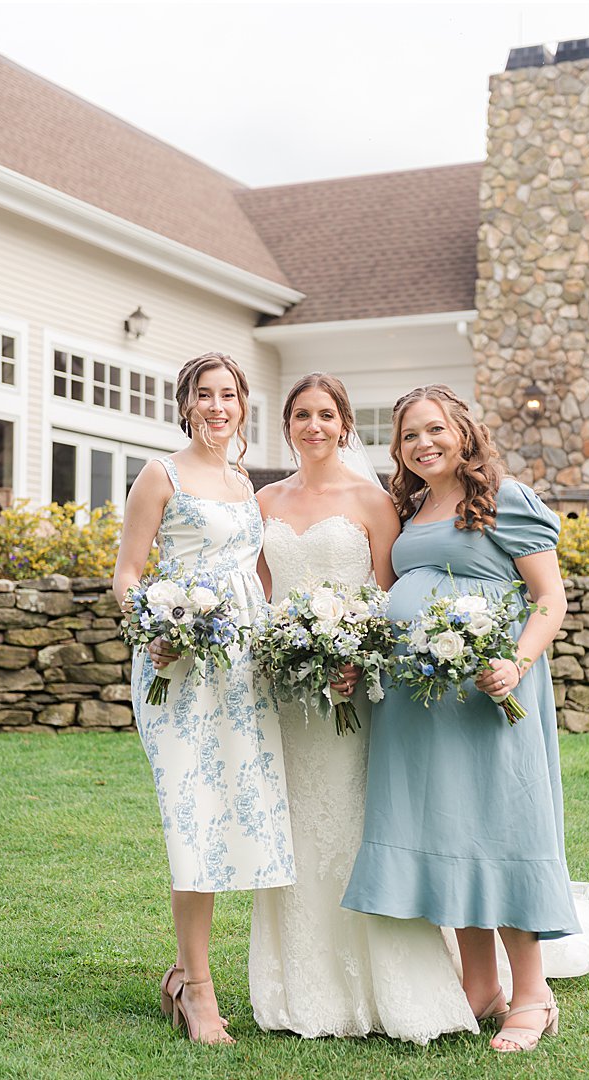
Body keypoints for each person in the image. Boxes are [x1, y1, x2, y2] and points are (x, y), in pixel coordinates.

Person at [340, 384, 589, 1053]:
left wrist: (517, 663)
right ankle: (481, 988)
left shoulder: (506, 499)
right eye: (409, 435)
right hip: (421, 706)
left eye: (434, 429)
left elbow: (550, 599)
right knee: (453, 833)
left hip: (488, 697)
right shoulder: (410, 508)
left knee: (503, 830)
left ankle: (533, 994)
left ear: (463, 431)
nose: (423, 444)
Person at [247, 372, 480, 1042]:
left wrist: (357, 655)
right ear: (287, 425)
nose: (313, 426)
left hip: (357, 695)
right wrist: (286, 652)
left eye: (326, 414)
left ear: (345, 424)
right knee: (296, 833)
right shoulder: (264, 501)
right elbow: (260, 597)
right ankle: (301, 990)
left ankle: (389, 986)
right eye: (300, 415)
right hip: (290, 702)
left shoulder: (376, 503)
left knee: (354, 828)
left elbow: (391, 600)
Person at [112, 351, 294, 1046]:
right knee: (194, 818)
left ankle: (183, 975)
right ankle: (199, 993)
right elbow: (128, 573)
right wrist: (155, 630)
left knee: (230, 818)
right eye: (205, 395)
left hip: (242, 670)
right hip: (179, 668)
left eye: (229, 395)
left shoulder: (244, 480)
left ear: (243, 405)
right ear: (186, 402)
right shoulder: (162, 475)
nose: (218, 406)